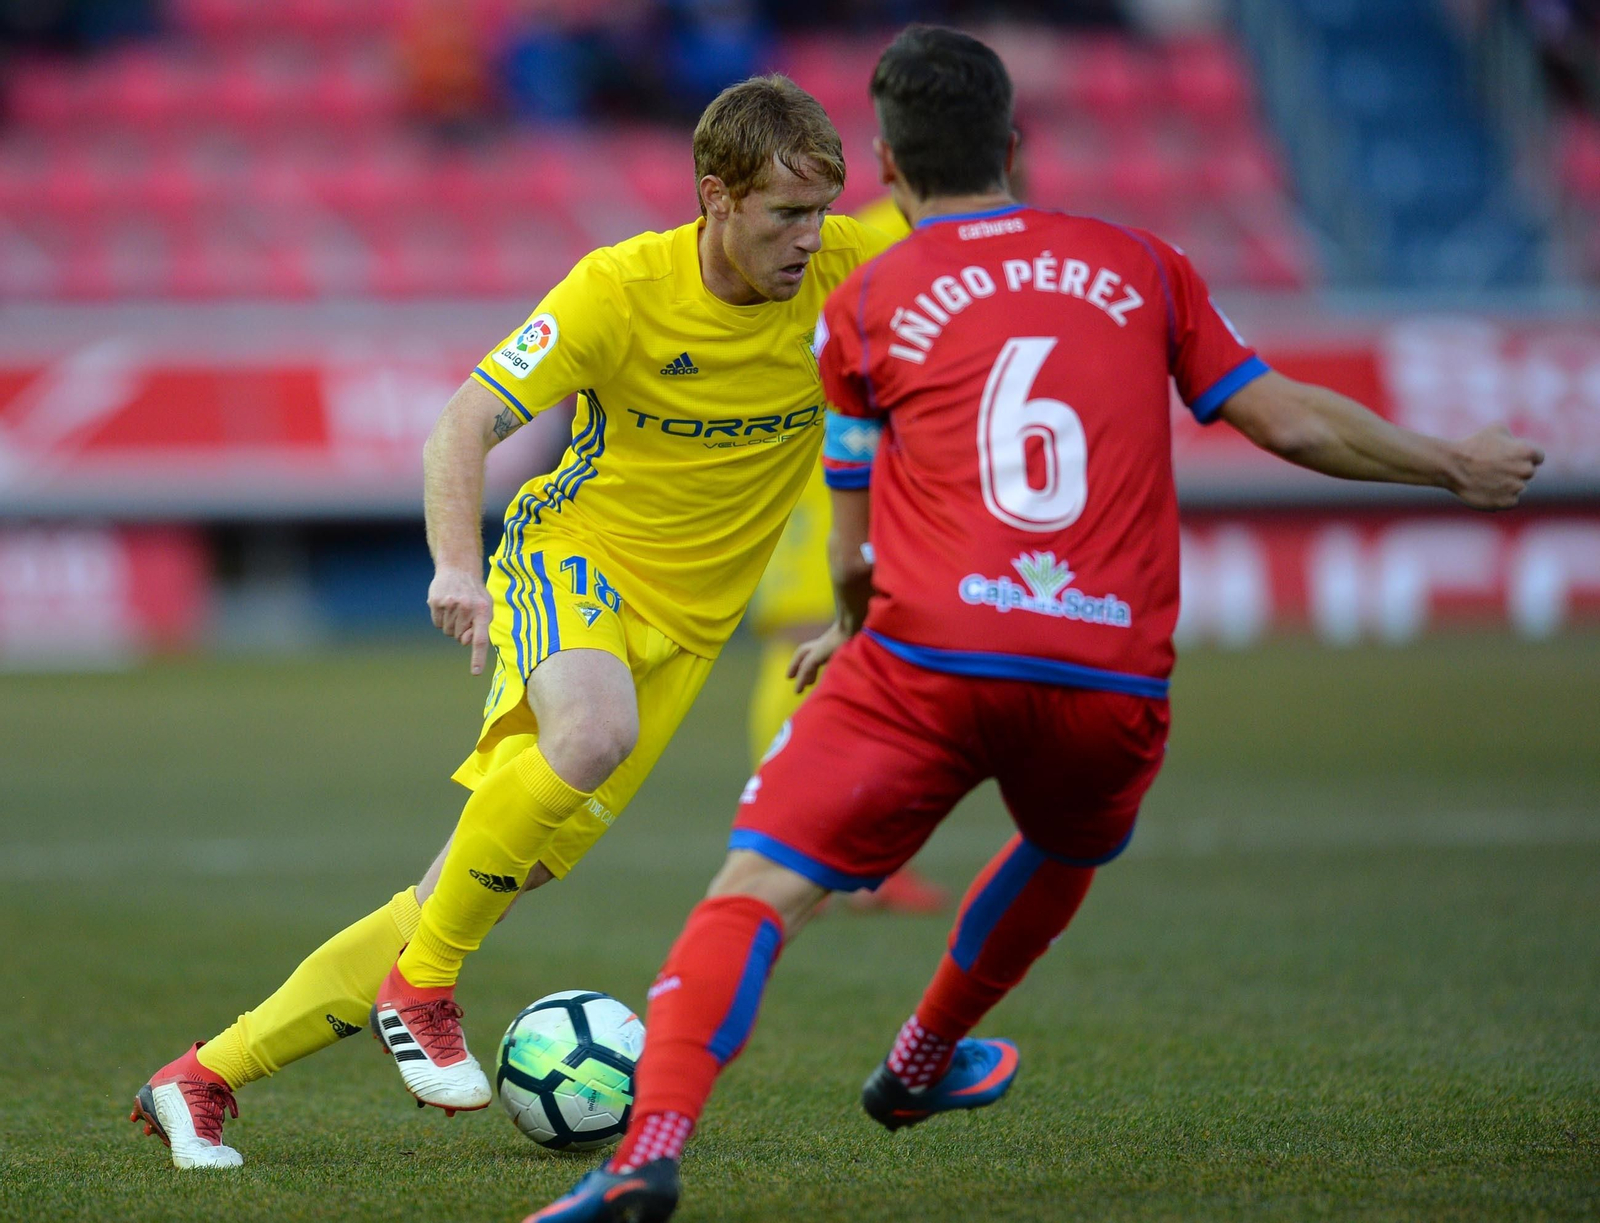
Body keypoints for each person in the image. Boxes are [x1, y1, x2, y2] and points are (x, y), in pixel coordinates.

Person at [525, 25, 1544, 1223]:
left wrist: (853, 625)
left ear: (889, 174)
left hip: (928, 652)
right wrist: (1451, 465)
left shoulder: (865, 297)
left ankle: (648, 1147)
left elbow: (849, 545)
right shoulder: (1144, 263)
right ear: (1014, 144)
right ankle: (919, 1058)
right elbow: (1289, 424)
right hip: (1107, 666)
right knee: (1067, 846)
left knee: (755, 887)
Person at [129, 74, 894, 1170]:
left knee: (458, 886)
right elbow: (464, 424)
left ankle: (201, 1078)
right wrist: (456, 565)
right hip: (568, 561)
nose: (808, 238)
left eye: (822, 212)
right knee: (586, 736)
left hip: (686, 637)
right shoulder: (617, 289)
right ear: (715, 197)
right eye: (785, 214)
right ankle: (425, 985)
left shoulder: (846, 276)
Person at [743, 190, 951, 916]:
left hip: (893, 464)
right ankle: (781, 842)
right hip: (828, 461)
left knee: (880, 647)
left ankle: (844, 849)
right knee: (807, 632)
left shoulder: (936, 234)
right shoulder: (869, 238)